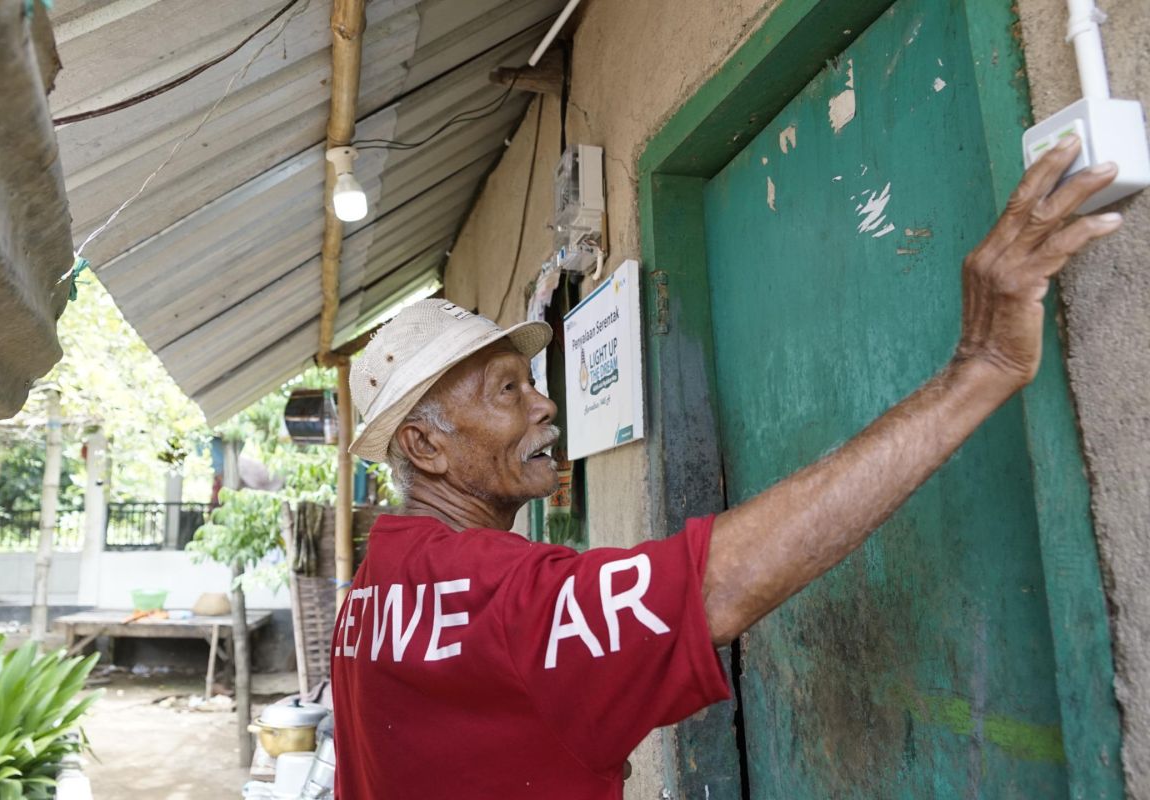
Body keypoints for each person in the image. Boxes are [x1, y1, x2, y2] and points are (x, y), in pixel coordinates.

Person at [329, 137, 1123, 799]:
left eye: (533, 384)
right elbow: (715, 585)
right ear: (426, 448)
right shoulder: (499, 596)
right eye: (509, 390)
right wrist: (977, 367)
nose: (544, 407)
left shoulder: (372, 595)